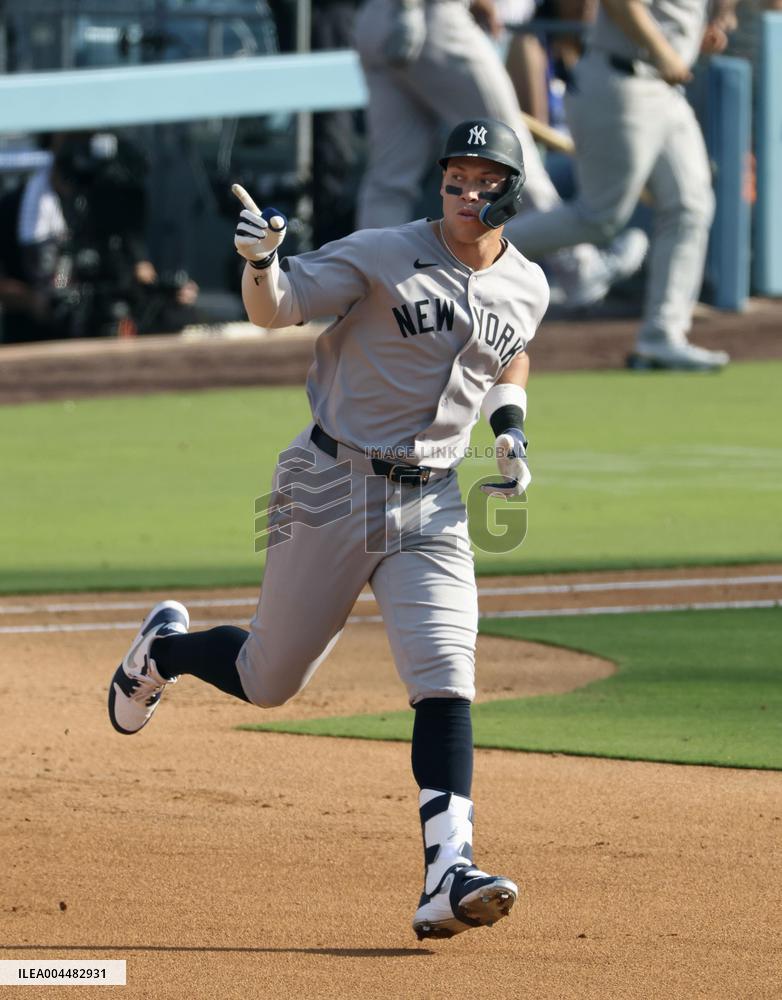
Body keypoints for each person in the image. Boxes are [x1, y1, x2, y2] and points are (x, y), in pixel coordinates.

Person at [108, 118, 546, 941]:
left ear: (511, 193)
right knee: (270, 679)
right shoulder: (382, 252)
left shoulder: (529, 283)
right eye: (455, 178)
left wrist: (512, 428)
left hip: (435, 503)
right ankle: (159, 654)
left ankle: (447, 872)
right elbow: (280, 309)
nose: (464, 194)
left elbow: (511, 352)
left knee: (447, 674)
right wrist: (262, 261)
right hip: (329, 484)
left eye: (483, 181)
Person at [353, 0, 649, 309]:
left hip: (375, 21)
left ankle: (367, 288)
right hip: (433, 19)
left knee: (389, 178)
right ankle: (579, 268)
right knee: (512, 151)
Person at [502, 0, 738, 370]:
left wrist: (714, 20)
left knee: (691, 206)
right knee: (598, 218)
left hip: (664, 91)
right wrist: (664, 51)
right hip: (621, 81)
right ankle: (463, 252)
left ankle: (662, 336)